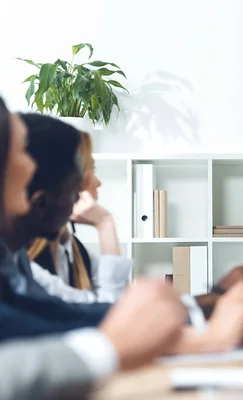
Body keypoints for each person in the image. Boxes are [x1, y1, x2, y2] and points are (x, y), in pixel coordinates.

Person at [0, 95, 187, 399]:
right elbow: (33, 326)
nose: (28, 164)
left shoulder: (26, 255)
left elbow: (56, 312)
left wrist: (185, 310)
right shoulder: (28, 254)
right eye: (20, 152)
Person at [28, 131, 131, 302]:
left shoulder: (74, 250)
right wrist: (105, 225)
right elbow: (109, 311)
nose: (98, 183)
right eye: (92, 170)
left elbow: (120, 303)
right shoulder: (27, 262)